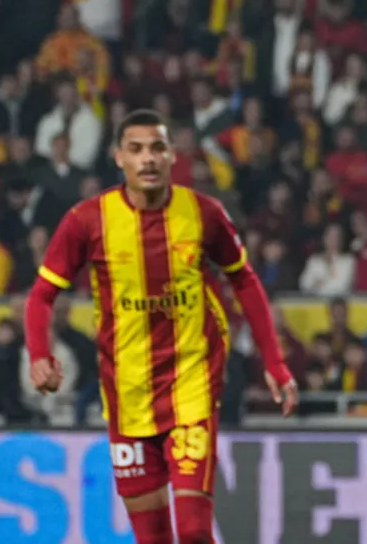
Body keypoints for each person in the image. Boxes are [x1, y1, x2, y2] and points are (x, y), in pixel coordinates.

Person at [22, 109, 298, 544]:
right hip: (128, 394)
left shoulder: (203, 213)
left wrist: (274, 362)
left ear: (172, 156)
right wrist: (39, 354)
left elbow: (243, 279)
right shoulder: (87, 220)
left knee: (193, 531)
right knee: (153, 538)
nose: (147, 158)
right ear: (118, 158)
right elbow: (41, 295)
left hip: (192, 384)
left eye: (157, 148)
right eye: (136, 149)